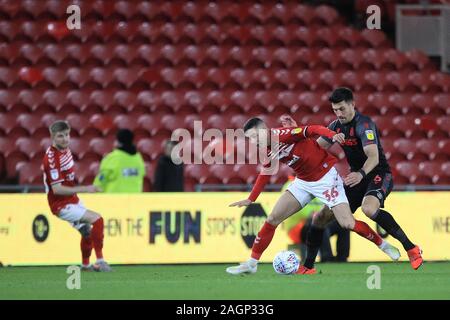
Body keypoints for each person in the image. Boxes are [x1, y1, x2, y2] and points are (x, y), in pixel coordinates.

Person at [225, 118, 400, 275]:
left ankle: (382, 245)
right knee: (272, 218)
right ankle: (252, 263)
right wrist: (251, 198)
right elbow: (265, 172)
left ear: (264, 130)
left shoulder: (283, 134)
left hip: (326, 178)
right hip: (303, 182)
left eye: (255, 136)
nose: (254, 141)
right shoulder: (266, 149)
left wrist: (332, 134)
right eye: (250, 139)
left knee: (347, 223)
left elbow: (313, 129)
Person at [281, 87, 423, 270]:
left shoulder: (364, 125)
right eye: (335, 110)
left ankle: (411, 249)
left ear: (352, 105)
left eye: (342, 109)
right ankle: (308, 267)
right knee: (320, 218)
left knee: (369, 208)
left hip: (378, 174)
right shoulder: (336, 127)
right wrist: (296, 131)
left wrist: (361, 174)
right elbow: (315, 149)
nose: (338, 114)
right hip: (356, 178)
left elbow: (373, 157)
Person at [42, 120, 111, 272]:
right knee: (98, 220)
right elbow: (57, 189)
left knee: (86, 231)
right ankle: (100, 261)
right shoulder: (51, 159)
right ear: (52, 137)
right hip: (60, 205)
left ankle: (85, 265)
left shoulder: (65, 150)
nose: (65, 139)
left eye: (67, 135)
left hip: (72, 199)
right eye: (60, 136)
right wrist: (86, 188)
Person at [94, 129, 145, 193]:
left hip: (115, 200)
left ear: (118, 142)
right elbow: (142, 174)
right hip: (134, 199)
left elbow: (102, 178)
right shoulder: (138, 158)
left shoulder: (113, 158)